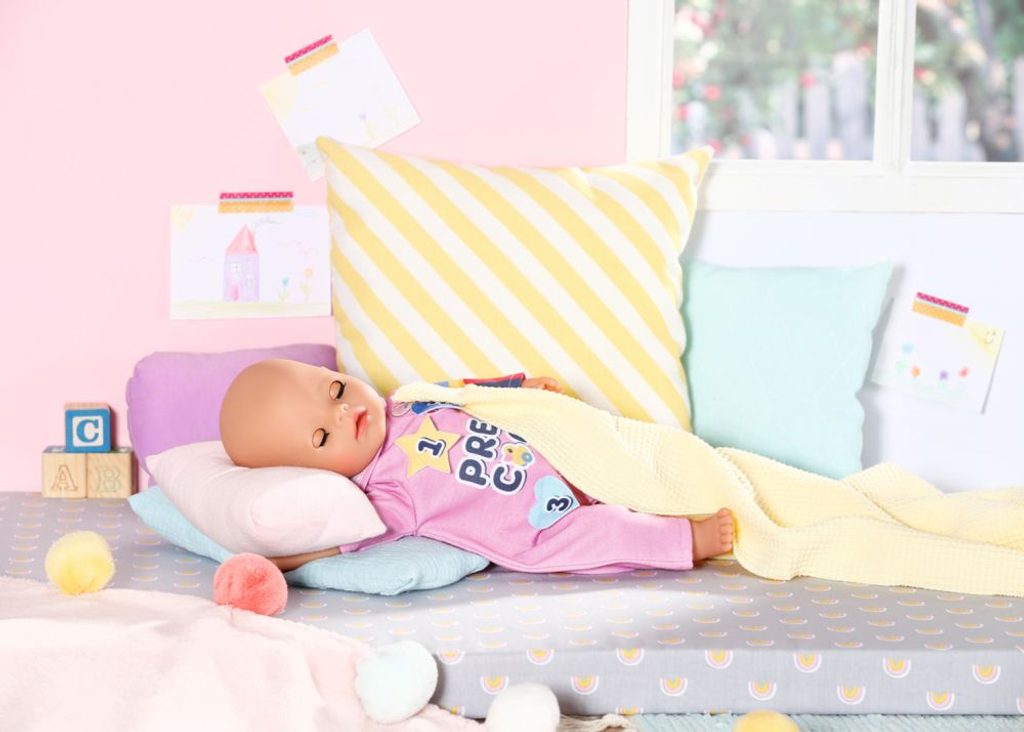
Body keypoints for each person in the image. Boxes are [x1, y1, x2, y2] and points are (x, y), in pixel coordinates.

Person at [219, 359, 734, 573]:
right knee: (605, 533)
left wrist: (517, 388)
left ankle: (689, 482)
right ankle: (687, 540)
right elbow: (336, 544)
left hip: (552, 456)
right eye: (322, 436)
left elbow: (466, 393)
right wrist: (279, 563)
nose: (343, 411)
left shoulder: (408, 399)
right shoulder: (381, 495)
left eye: (334, 389)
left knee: (620, 455)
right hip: (539, 525)